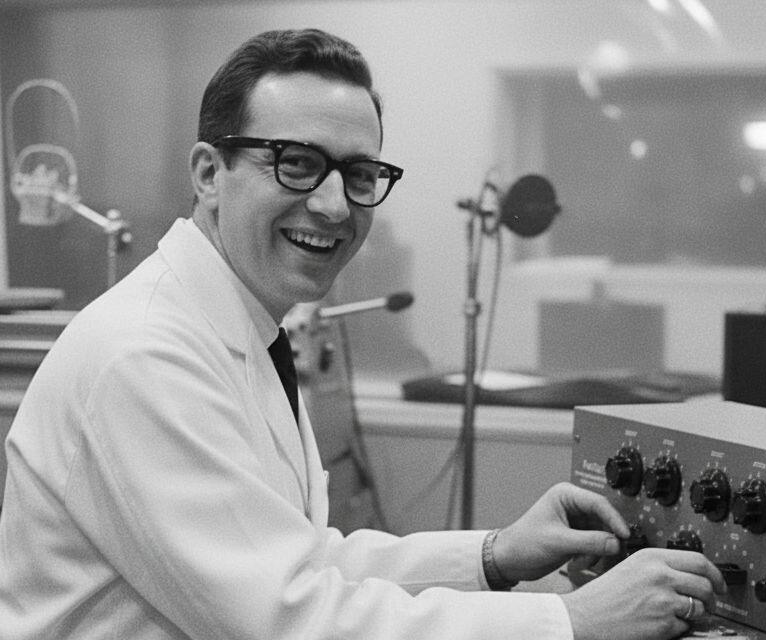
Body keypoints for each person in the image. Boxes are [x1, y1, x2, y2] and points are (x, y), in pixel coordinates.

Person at [0, 28, 725, 640]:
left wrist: (494, 556)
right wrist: (567, 620)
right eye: (296, 163)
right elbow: (292, 619)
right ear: (208, 174)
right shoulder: (146, 354)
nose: (332, 204)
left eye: (357, 172)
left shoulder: (245, 331)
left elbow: (302, 561)